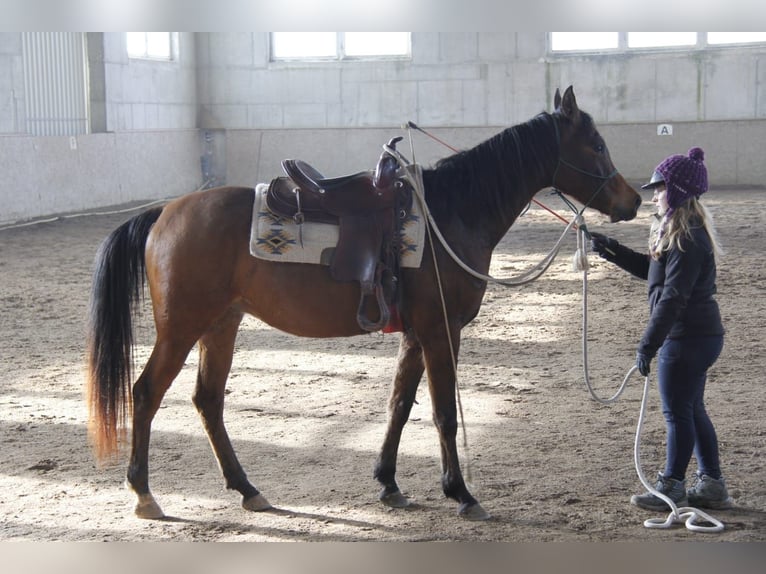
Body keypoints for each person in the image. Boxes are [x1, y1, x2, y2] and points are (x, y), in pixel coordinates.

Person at [590, 147, 733, 511]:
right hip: (698, 336)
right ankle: (712, 483)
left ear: (679, 191)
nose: (654, 194)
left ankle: (672, 484)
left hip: (686, 339)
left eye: (660, 188)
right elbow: (654, 274)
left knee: (677, 413)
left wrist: (648, 345)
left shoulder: (686, 238)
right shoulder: (681, 233)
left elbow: (672, 298)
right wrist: (612, 251)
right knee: (691, 407)